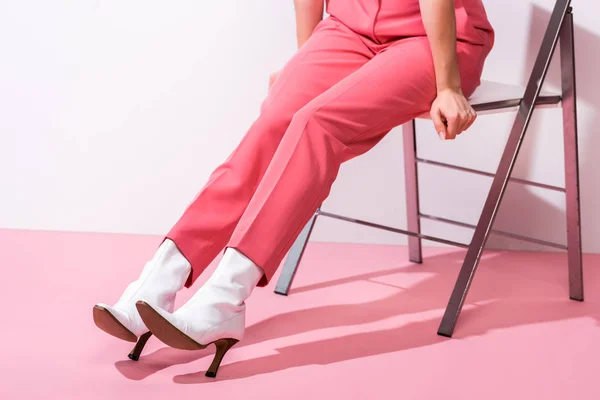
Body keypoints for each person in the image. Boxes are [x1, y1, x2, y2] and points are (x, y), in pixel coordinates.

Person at [94, 0, 494, 378]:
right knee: (276, 119)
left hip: (431, 38)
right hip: (348, 28)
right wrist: (306, 60)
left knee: (317, 121)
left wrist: (447, 86)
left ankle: (224, 298)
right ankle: (158, 279)